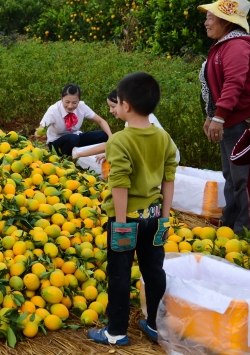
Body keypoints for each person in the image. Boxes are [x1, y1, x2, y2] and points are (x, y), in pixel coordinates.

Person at [88, 72, 178, 345]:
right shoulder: (163, 137)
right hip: (153, 218)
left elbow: (120, 185)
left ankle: (116, 331)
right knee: (154, 272)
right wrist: (164, 218)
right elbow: (169, 178)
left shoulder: (120, 140)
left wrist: (121, 221)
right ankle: (153, 324)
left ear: (125, 105)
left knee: (119, 273)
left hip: (126, 220)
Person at [198, 0, 250, 233]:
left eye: (211, 18)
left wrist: (219, 116)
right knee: (230, 174)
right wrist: (212, 116)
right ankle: (231, 222)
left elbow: (233, 83)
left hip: (242, 123)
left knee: (243, 177)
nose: (206, 22)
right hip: (230, 121)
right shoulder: (221, 47)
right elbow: (215, 87)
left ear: (226, 22)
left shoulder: (237, 46)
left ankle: (244, 229)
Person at [72, 89, 181, 164]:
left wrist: (79, 154)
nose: (111, 111)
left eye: (113, 106)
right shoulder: (135, 118)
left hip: (163, 160)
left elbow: (113, 143)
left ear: (125, 105)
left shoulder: (140, 120)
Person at [34, 84, 112, 156]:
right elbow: (41, 128)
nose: (70, 106)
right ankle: (65, 158)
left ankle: (83, 154)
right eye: (67, 102)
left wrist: (111, 137)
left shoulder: (82, 106)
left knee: (103, 135)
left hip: (76, 138)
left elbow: (100, 121)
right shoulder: (53, 110)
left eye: (74, 102)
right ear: (62, 98)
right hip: (57, 143)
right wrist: (39, 134)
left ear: (79, 100)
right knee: (73, 138)